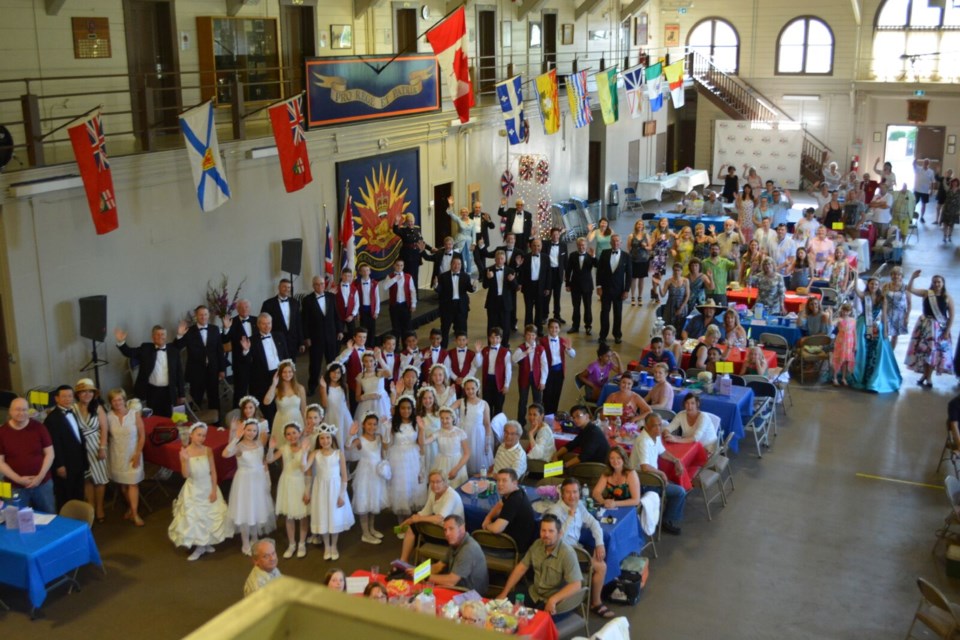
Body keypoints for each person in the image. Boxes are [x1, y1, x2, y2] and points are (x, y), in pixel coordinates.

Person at [549, 478, 614, 619]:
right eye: (568, 492)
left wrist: (599, 543)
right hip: (561, 552)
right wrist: (570, 517)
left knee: (600, 557)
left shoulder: (579, 506)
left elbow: (593, 523)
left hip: (575, 549)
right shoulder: (555, 512)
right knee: (601, 567)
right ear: (562, 493)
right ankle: (596, 602)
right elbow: (555, 540)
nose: (572, 496)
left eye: (575, 492)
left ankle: (592, 596)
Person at [168, 422, 234, 561]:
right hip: (194, 488)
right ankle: (200, 546)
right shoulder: (185, 452)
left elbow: (214, 472)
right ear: (191, 435)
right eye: (199, 435)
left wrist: (214, 490)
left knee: (209, 515)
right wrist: (184, 461)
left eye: (204, 435)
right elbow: (185, 475)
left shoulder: (207, 450)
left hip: (208, 486)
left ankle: (205, 543)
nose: (201, 438)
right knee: (196, 517)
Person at [496, 514, 583, 614]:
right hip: (534, 594)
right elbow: (521, 568)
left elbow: (576, 585)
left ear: (559, 534)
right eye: (543, 530)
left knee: (529, 621)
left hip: (554, 600)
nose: (546, 535)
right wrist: (504, 592)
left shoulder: (567, 553)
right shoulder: (537, 544)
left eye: (551, 531)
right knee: (502, 607)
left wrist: (553, 599)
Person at [224, 418, 276, 556]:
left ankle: (255, 538)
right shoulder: (239, 447)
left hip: (258, 480)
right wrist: (235, 437)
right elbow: (225, 454)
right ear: (244, 431)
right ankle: (245, 542)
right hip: (244, 481)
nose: (251, 433)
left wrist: (270, 448)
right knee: (245, 511)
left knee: (256, 510)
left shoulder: (259, 444)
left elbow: (264, 461)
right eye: (248, 430)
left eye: (254, 430)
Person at [630, 413, 686, 535]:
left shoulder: (654, 436)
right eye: (655, 426)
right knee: (679, 492)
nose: (659, 428)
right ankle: (666, 521)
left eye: (660, 425)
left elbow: (662, 452)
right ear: (647, 426)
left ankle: (666, 516)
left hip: (653, 477)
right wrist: (661, 473)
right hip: (644, 481)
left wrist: (676, 460)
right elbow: (644, 467)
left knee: (676, 485)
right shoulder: (643, 441)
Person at [306, 424, 354, 560]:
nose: (325, 441)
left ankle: (334, 545)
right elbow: (305, 467)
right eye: (322, 438)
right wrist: (305, 452)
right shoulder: (315, 453)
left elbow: (344, 477)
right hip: (320, 488)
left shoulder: (339, 454)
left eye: (328, 438)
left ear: (332, 438)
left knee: (334, 516)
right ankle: (327, 546)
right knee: (323, 515)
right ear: (318, 440)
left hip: (335, 488)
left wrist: (342, 495)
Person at [0, 397, 56, 513]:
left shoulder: (39, 428)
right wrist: (19, 479)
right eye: (17, 409)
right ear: (10, 411)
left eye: (24, 410)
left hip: (43, 483)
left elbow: (50, 454)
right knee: (15, 522)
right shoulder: (2, 432)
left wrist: (39, 477)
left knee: (48, 516)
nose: (21, 413)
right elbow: (0, 462)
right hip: (14, 486)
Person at [114, 325, 184, 417]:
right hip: (152, 391)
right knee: (153, 416)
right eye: (157, 334)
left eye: (162, 334)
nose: (160, 337)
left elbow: (179, 373)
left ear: (166, 337)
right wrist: (121, 342)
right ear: (153, 337)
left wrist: (181, 394)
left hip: (169, 391)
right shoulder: (146, 348)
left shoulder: (173, 350)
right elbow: (129, 352)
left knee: (170, 417)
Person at [398, 470, 464, 563]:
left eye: (438, 482)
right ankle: (403, 561)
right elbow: (425, 512)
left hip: (451, 535)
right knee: (411, 528)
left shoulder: (451, 496)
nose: (434, 485)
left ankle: (427, 563)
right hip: (439, 530)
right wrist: (410, 520)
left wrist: (419, 519)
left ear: (445, 482)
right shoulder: (433, 493)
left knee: (419, 527)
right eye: (432, 482)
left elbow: (439, 518)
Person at [851, 278, 902, 393]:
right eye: (871, 283)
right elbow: (856, 289)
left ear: (879, 286)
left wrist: (885, 330)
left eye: (876, 284)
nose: (873, 286)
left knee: (878, 350)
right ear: (868, 284)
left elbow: (884, 314)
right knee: (862, 348)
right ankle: (859, 375)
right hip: (864, 324)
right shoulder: (864, 295)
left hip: (876, 325)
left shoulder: (882, 298)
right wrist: (856, 274)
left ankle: (874, 379)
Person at [174, 306, 225, 416]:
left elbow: (219, 351)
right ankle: (195, 424)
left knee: (214, 397)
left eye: (205, 314)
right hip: (196, 371)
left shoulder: (215, 329)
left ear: (208, 315)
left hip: (212, 369)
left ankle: (216, 424)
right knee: (196, 398)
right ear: (196, 316)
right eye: (200, 314)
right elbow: (176, 347)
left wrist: (222, 369)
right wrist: (179, 335)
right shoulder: (189, 331)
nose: (203, 317)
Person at [906, 270, 954, 387]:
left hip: (939, 328)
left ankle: (929, 377)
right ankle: (925, 375)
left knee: (934, 353)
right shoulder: (927, 293)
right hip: (926, 326)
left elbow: (952, 315)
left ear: (943, 283)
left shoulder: (947, 297)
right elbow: (910, 289)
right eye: (934, 282)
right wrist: (912, 277)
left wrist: (947, 331)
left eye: (939, 282)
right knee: (925, 352)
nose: (936, 284)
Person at [269, 423, 310, 559]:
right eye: (288, 434)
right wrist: (270, 449)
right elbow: (269, 460)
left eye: (294, 432)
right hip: (286, 483)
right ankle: (292, 544)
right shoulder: (284, 448)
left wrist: (307, 491)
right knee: (289, 516)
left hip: (300, 483)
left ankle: (302, 543)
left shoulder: (305, 448)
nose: (292, 436)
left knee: (303, 515)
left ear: (299, 433)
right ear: (285, 436)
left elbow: (306, 471)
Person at [240, 313, 290, 424]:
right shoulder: (251, 340)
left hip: (281, 375)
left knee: (284, 403)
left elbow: (286, 356)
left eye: (269, 323)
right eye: (263, 324)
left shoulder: (279, 335)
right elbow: (246, 363)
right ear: (258, 325)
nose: (267, 326)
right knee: (267, 408)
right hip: (262, 378)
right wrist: (246, 351)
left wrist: (289, 373)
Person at [106, 388, 145, 526]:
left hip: (133, 454)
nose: (117, 402)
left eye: (119, 399)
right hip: (117, 455)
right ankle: (130, 507)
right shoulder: (108, 416)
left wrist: (137, 454)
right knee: (123, 486)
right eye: (114, 400)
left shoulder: (134, 414)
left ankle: (135, 514)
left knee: (133, 484)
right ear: (110, 402)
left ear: (124, 400)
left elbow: (142, 436)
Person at [44, 385, 88, 509]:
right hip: (65, 464)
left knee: (78, 492)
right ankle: (68, 523)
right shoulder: (52, 419)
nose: (68, 399)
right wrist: (59, 465)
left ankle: (79, 520)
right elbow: (54, 444)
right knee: (66, 495)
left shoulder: (71, 412)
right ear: (57, 398)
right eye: (64, 396)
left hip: (77, 461)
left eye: (70, 396)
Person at [349, 413, 388, 544]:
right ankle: (365, 533)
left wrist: (386, 429)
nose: (372, 427)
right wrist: (351, 434)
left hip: (376, 472)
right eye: (369, 424)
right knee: (364, 502)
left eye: (375, 424)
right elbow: (347, 447)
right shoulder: (360, 439)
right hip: (365, 473)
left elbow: (384, 451)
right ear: (363, 425)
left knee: (374, 500)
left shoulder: (379, 437)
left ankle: (371, 528)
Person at [386, 396, 426, 524]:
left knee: (413, 486)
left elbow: (421, 444)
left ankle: (412, 524)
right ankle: (401, 523)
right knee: (401, 488)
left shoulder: (416, 423)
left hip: (413, 456)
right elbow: (388, 444)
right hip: (397, 458)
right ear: (398, 409)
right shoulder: (393, 423)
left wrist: (422, 462)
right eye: (402, 408)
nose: (406, 411)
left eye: (408, 408)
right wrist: (385, 430)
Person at [426, 514, 489, 594]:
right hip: (459, 587)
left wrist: (424, 577)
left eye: (451, 529)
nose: (447, 534)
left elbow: (451, 582)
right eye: (445, 530)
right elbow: (439, 566)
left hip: (471, 595)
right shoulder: (455, 542)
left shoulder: (468, 549)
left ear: (462, 528)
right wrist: (418, 572)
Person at [74, 378, 108, 522]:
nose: (87, 394)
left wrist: (102, 447)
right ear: (78, 394)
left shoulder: (98, 408)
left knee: (99, 479)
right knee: (87, 479)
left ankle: (100, 508)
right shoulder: (73, 408)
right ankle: (91, 508)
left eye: (90, 391)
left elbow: (105, 429)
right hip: (80, 447)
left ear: (94, 394)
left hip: (96, 446)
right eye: (83, 392)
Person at [302, 275, 343, 395]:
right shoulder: (307, 300)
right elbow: (304, 320)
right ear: (313, 285)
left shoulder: (331, 296)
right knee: (315, 364)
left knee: (332, 361)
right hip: (315, 338)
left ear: (324, 285)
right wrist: (307, 337)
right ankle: (312, 386)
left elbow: (336, 315)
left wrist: (340, 330)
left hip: (331, 336)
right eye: (317, 284)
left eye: (322, 284)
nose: (320, 286)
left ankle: (333, 384)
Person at [482, 468, 537, 554]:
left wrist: (487, 526)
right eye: (498, 480)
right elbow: (500, 504)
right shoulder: (516, 491)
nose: (500, 484)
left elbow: (497, 529)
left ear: (514, 483)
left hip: (513, 547)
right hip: (517, 537)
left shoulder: (514, 501)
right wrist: (488, 517)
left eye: (504, 481)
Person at [596, 234, 632, 344]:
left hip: (619, 291)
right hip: (605, 290)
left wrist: (626, 290)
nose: (616, 243)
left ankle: (617, 335)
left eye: (618, 241)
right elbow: (599, 271)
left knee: (618, 314)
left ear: (620, 243)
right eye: (614, 241)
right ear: (610, 243)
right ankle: (603, 335)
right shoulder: (604, 253)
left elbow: (629, 275)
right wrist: (599, 286)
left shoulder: (626, 256)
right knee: (604, 314)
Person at [452, 377, 493, 476]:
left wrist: (487, 441)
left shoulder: (483, 404)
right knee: (463, 454)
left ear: (477, 389)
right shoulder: (460, 402)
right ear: (464, 390)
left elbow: (487, 424)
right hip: (464, 433)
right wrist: (450, 396)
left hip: (478, 435)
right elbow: (447, 410)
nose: (470, 391)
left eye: (473, 388)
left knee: (476, 457)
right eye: (467, 389)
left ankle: (477, 478)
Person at [264, 359, 306, 444]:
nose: (287, 374)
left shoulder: (300, 388)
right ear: (280, 374)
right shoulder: (276, 390)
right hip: (282, 421)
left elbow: (304, 409)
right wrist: (273, 384)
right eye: (284, 372)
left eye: (290, 372)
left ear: (293, 373)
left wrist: (305, 425)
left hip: (297, 419)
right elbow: (266, 402)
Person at [436, 256, 474, 347]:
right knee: (445, 328)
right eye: (454, 264)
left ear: (461, 265)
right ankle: (443, 348)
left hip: (461, 306)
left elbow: (470, 289)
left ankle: (463, 347)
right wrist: (436, 286)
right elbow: (439, 290)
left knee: (462, 328)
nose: (456, 266)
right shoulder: (443, 276)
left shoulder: (465, 276)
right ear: (451, 264)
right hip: (447, 306)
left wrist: (474, 287)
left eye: (459, 264)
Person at [541, 318, 576, 415]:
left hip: (559, 372)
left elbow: (573, 355)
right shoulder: (543, 341)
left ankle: (553, 416)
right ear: (548, 328)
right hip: (547, 372)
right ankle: (547, 416)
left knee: (556, 395)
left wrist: (569, 349)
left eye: (556, 327)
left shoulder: (562, 341)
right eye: (551, 327)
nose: (554, 329)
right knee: (546, 396)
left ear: (559, 329)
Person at [261, 279, 303, 359]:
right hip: (275, 340)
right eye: (284, 287)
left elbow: (298, 323)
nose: (286, 289)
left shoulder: (295, 303)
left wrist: (301, 342)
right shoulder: (268, 304)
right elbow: (263, 324)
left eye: (288, 287)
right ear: (279, 287)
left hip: (292, 341)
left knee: (291, 365)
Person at [512, 325, 547, 422]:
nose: (530, 337)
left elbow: (544, 366)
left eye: (532, 335)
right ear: (525, 335)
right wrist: (525, 353)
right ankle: (521, 421)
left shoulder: (540, 349)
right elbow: (514, 359)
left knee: (538, 400)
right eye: (528, 335)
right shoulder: (521, 348)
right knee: (523, 400)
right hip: (524, 377)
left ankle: (539, 421)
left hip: (536, 377)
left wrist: (543, 381)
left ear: (535, 336)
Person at [226, 299, 256, 407]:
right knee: (240, 391)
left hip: (255, 362)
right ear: (237, 309)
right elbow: (224, 339)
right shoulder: (231, 322)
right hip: (240, 363)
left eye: (246, 307)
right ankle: (238, 413)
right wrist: (226, 328)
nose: (244, 309)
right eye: (241, 307)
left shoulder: (256, 320)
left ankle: (254, 412)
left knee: (256, 389)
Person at [431, 407, 470, 488]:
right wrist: (421, 429)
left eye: (447, 418)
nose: (444, 421)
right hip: (441, 463)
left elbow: (467, 453)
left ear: (453, 418)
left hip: (457, 462)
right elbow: (424, 442)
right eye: (442, 418)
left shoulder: (460, 432)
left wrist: (456, 469)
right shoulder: (438, 433)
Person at [482, 249, 519, 335]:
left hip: (505, 301)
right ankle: (491, 345)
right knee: (492, 325)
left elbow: (516, 287)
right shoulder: (488, 270)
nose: (499, 261)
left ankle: (505, 345)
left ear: (505, 260)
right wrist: (488, 278)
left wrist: (512, 280)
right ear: (495, 259)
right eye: (498, 258)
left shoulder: (510, 271)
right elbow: (484, 286)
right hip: (492, 301)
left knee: (506, 325)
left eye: (502, 258)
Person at [518, 237, 551, 329]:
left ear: (541, 246)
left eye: (538, 246)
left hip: (540, 287)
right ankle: (528, 329)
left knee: (539, 308)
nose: (536, 248)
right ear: (530, 247)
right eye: (534, 246)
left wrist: (547, 287)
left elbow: (549, 273)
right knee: (528, 309)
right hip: (528, 286)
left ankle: (538, 329)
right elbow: (522, 272)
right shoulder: (526, 257)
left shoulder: (546, 258)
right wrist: (520, 284)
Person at [565, 236, 596, 334]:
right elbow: (568, 271)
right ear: (577, 245)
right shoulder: (572, 255)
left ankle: (588, 326)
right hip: (575, 285)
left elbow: (597, 265)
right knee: (576, 307)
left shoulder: (590, 255)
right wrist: (567, 284)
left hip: (587, 286)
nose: (581, 247)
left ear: (586, 245)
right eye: (579, 245)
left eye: (583, 245)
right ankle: (575, 326)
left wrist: (594, 256)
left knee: (588, 307)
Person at [477, 327, 510, 416]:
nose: (494, 340)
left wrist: (506, 384)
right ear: (489, 338)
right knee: (487, 405)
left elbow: (508, 369)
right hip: (488, 380)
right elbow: (478, 364)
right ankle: (488, 426)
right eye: (492, 337)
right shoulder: (485, 350)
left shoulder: (505, 352)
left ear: (501, 339)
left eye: (497, 337)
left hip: (499, 382)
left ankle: (497, 428)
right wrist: (477, 353)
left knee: (498, 405)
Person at [393, 213, 432, 284]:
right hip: (407, 257)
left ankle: (415, 294)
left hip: (416, 256)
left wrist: (431, 249)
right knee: (408, 276)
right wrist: (396, 222)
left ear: (414, 221)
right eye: (408, 221)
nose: (410, 223)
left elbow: (422, 242)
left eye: (411, 221)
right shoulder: (404, 230)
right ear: (406, 222)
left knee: (415, 277)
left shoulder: (417, 230)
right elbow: (396, 230)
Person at [385, 259, 417, 339]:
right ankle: (395, 348)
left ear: (403, 266)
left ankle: (405, 347)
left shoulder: (408, 277)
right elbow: (385, 287)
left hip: (405, 305)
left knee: (407, 327)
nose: (399, 267)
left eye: (401, 265)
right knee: (395, 328)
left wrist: (413, 304)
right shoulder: (390, 276)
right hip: (394, 305)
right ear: (394, 266)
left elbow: (412, 291)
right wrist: (395, 279)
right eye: (397, 265)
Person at [702, 241, 738, 307]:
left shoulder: (725, 261)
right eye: (712, 249)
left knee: (722, 312)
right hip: (709, 292)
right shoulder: (704, 262)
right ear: (710, 250)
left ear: (719, 251)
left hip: (721, 292)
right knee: (709, 312)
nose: (714, 251)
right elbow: (702, 277)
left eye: (716, 249)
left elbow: (736, 267)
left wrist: (736, 259)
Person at [883, 267, 911, 350]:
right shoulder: (886, 286)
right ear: (891, 275)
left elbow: (909, 304)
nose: (896, 276)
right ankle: (885, 352)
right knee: (885, 333)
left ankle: (892, 352)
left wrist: (907, 316)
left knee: (895, 336)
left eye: (898, 275)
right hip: (887, 312)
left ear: (901, 276)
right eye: (894, 274)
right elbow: (881, 299)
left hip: (899, 314)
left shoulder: (906, 287)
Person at [545, 227, 568, 322]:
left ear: (559, 235)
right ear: (551, 235)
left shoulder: (563, 245)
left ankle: (557, 315)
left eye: (557, 235)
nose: (555, 236)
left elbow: (566, 261)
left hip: (558, 273)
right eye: (553, 235)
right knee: (546, 296)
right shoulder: (546, 245)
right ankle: (544, 315)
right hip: (548, 273)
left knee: (557, 296)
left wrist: (567, 275)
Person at [650, 218, 676, 304]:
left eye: (665, 222)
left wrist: (674, 248)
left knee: (660, 276)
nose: (663, 223)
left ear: (667, 223)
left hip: (663, 256)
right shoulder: (655, 231)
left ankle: (653, 290)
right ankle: (655, 293)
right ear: (659, 223)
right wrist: (657, 239)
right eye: (662, 221)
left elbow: (678, 236)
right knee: (655, 274)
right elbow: (652, 245)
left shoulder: (669, 232)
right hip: (656, 255)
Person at [660, 262, 690, 333]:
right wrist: (658, 286)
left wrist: (681, 308)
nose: (677, 272)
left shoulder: (685, 281)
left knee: (681, 326)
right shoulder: (668, 281)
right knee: (670, 327)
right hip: (670, 306)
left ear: (681, 271)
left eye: (678, 270)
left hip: (682, 306)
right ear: (673, 271)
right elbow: (663, 295)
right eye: (675, 270)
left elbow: (687, 295)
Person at [628, 220, 651, 307]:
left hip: (643, 260)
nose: (640, 225)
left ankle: (640, 297)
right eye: (638, 224)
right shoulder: (631, 236)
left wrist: (646, 246)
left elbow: (650, 247)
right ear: (636, 225)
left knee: (641, 279)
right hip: (633, 260)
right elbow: (629, 248)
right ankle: (633, 297)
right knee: (633, 279)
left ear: (643, 226)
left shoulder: (646, 235)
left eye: (641, 224)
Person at [941, 177, 960, 243]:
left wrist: (959, 210)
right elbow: (944, 185)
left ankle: (950, 236)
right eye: (953, 182)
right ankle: (944, 236)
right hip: (947, 209)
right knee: (945, 223)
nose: (954, 183)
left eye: (956, 182)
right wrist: (945, 177)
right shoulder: (948, 189)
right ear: (951, 183)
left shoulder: (959, 191)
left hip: (954, 210)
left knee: (952, 224)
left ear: (958, 183)